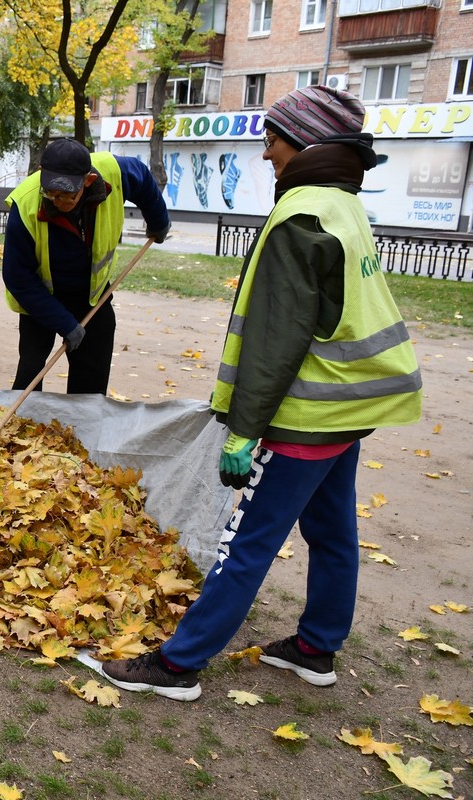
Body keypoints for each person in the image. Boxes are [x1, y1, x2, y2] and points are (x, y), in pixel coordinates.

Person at [100, 86, 423, 701]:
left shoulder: (302, 215)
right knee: (332, 532)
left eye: (272, 140)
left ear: (304, 143)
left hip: (305, 414)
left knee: (245, 541)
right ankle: (315, 648)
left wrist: (246, 430)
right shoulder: (343, 205)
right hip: (348, 408)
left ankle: (177, 666)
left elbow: (277, 336)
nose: (266, 154)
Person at [2, 138, 169, 394]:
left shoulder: (114, 171)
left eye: (66, 195)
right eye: (51, 193)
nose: (57, 201)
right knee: (31, 370)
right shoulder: (25, 204)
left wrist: (158, 220)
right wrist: (64, 323)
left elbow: (144, 179)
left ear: (87, 181)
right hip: (40, 299)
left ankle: (82, 430)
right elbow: (17, 277)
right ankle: (21, 425)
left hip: (92, 298)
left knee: (91, 381)